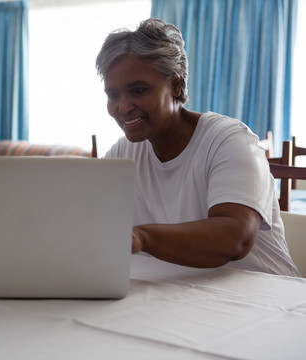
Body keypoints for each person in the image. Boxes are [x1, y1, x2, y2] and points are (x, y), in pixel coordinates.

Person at [95, 18, 300, 276]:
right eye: (113, 95)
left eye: (138, 90)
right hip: (184, 295)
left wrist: (143, 237)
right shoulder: (121, 155)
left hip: (264, 298)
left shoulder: (229, 141)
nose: (122, 107)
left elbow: (235, 238)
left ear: (175, 84)